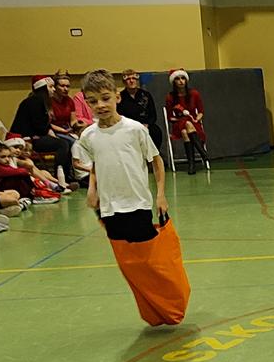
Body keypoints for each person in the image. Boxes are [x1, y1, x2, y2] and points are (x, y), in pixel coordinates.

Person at [81, 69, 168, 242]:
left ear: (117, 97)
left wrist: (160, 195)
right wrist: (92, 189)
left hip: (138, 204)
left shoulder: (135, 129)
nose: (100, 105)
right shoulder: (87, 136)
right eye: (93, 101)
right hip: (109, 208)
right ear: (87, 103)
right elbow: (96, 164)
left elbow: (156, 161)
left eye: (106, 98)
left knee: (146, 253)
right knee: (123, 255)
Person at [9, 75, 74, 186]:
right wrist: (53, 135)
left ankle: (66, 175)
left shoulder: (41, 101)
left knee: (66, 142)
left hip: (34, 135)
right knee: (62, 144)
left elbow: (44, 126)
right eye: (51, 87)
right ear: (43, 88)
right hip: (26, 139)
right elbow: (40, 127)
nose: (54, 89)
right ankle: (61, 176)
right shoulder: (35, 101)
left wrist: (53, 135)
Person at [165, 68, 210, 175]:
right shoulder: (170, 97)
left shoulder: (194, 94)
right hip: (178, 124)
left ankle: (191, 164)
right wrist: (181, 118)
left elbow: (201, 111)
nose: (181, 81)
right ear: (174, 82)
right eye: (178, 79)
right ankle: (203, 153)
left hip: (193, 124)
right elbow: (170, 117)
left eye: (183, 78)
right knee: (186, 124)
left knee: (185, 131)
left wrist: (196, 119)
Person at [117, 70, 165, 144]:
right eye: (128, 79)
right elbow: (119, 116)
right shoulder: (120, 97)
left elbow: (153, 115)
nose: (131, 81)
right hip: (129, 127)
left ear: (137, 81)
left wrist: (147, 124)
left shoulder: (146, 95)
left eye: (134, 78)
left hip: (146, 125)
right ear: (124, 82)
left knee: (156, 131)